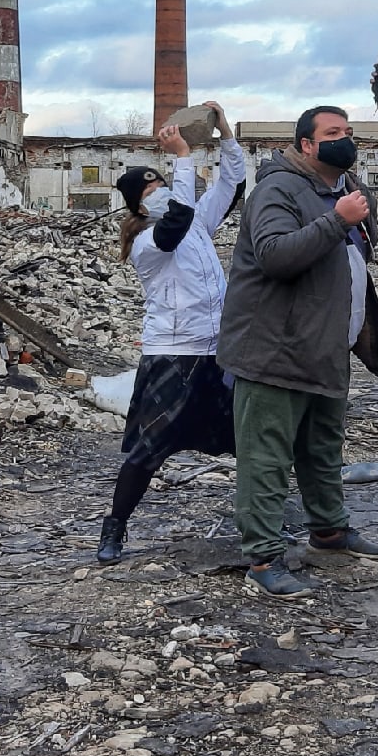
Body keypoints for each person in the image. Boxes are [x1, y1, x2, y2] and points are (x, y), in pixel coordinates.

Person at [216, 105, 378, 599]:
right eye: (333, 133)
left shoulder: (342, 188)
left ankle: (329, 530)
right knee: (266, 456)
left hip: (325, 347)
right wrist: (337, 221)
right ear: (307, 144)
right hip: (275, 351)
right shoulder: (278, 188)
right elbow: (274, 255)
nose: (345, 140)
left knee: (321, 447)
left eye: (349, 133)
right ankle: (264, 558)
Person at [96, 103, 246, 565]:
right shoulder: (147, 241)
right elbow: (176, 222)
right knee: (148, 448)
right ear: (140, 203)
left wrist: (224, 135)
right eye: (153, 187)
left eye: (162, 182)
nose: (162, 191)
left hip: (217, 349)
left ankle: (261, 521)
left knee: (249, 436)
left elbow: (232, 185)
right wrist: (182, 156)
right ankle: (114, 527)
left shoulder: (196, 220)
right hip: (174, 355)